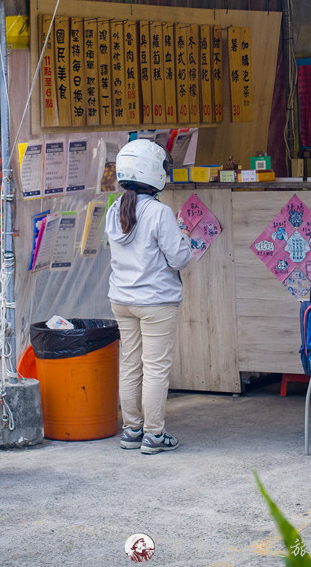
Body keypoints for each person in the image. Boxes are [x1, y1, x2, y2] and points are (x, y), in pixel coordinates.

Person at [104, 139, 192, 455]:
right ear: (155, 173)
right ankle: (154, 435)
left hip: (122, 300)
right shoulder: (159, 212)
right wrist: (185, 238)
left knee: (130, 364)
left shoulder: (114, 210)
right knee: (155, 368)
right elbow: (179, 259)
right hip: (155, 302)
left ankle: (132, 430)